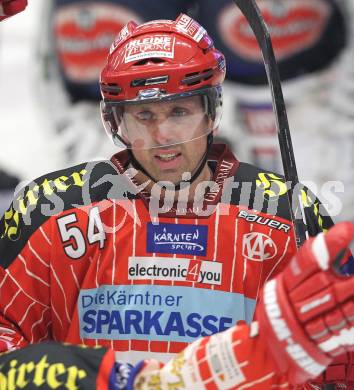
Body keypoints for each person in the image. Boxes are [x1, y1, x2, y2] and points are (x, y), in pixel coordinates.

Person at [0, 12, 354, 389]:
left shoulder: (289, 214)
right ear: (116, 122)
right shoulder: (50, 209)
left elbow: (333, 365)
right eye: (143, 115)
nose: (162, 134)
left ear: (210, 113)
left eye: (179, 111)